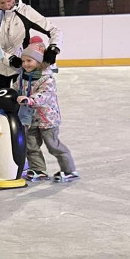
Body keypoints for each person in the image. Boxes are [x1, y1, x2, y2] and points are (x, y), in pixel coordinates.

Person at [0, 0, 63, 168]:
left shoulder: (26, 11)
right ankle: (0, 151)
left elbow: (54, 30)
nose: (7, 5)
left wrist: (54, 48)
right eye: (2, 2)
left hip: (22, 71)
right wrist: (8, 59)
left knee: (22, 112)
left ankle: (21, 155)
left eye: (10, 0)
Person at [17, 38, 79, 183]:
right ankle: (38, 170)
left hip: (47, 120)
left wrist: (30, 100)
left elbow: (44, 95)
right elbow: (16, 88)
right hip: (31, 119)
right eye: (24, 61)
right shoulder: (23, 76)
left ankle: (69, 170)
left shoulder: (47, 79)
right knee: (30, 145)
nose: (25, 64)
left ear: (38, 62)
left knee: (53, 146)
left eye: (29, 61)